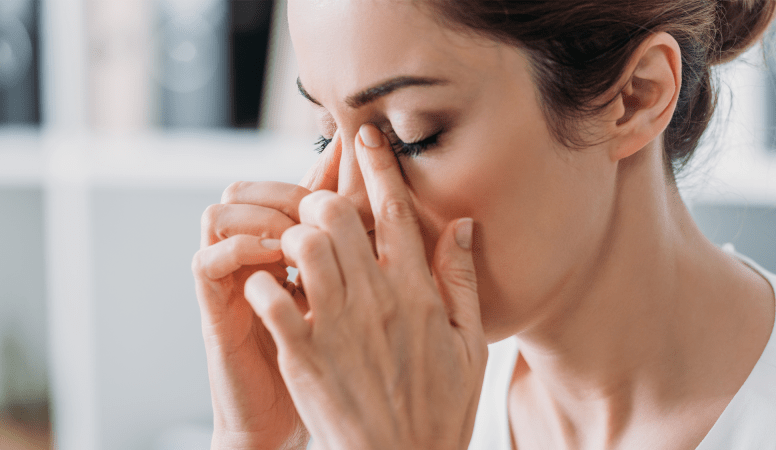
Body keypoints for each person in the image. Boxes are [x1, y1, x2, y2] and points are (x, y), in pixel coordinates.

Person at [191, 0, 776, 448]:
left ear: (635, 97)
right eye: (324, 130)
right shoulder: (364, 396)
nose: (339, 206)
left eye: (413, 134)